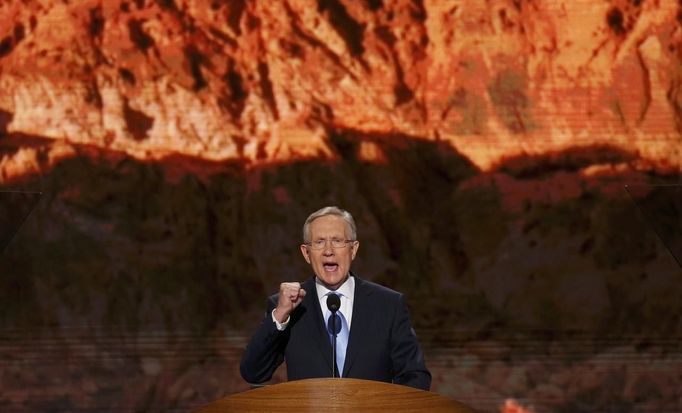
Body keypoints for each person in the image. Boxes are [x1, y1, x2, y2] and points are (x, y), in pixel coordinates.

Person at [240, 206, 431, 390]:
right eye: (319, 242)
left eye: (337, 240)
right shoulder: (286, 307)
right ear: (306, 253)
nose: (328, 250)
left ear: (353, 249)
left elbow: (415, 376)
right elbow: (254, 372)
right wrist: (280, 316)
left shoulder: (388, 305)